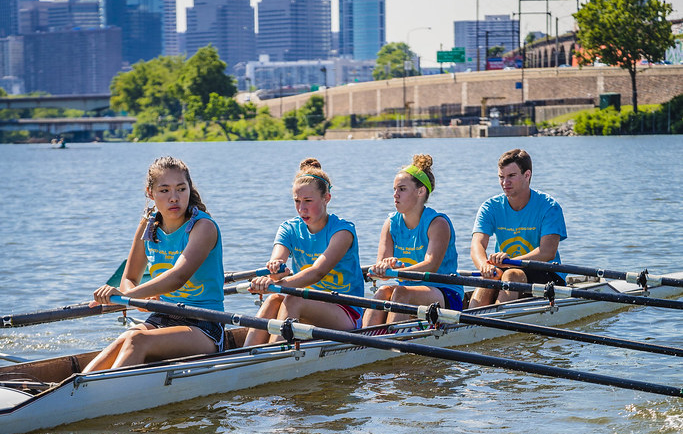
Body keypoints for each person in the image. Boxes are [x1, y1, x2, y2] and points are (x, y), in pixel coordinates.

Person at [83, 156, 224, 373]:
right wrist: (133, 297)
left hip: (204, 324)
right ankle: (78, 386)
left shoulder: (203, 227)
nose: (174, 198)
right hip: (162, 315)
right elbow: (129, 279)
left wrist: (129, 297)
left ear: (189, 189)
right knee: (127, 337)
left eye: (181, 189)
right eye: (164, 190)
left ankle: (97, 399)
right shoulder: (148, 225)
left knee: (137, 339)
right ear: (151, 193)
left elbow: (178, 278)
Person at [244, 158, 365, 346]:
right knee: (274, 299)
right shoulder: (289, 229)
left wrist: (279, 283)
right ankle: (247, 354)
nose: (302, 208)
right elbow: (277, 260)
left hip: (346, 312)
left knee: (292, 300)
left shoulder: (342, 231)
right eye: (297, 201)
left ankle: (274, 357)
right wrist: (274, 271)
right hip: (307, 304)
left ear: (327, 198)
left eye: (308, 201)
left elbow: (318, 272)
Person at [362, 153, 463, 329]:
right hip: (410, 291)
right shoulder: (391, 223)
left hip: (445, 293)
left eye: (402, 189)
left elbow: (431, 265)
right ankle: (364, 342)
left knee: (400, 292)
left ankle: (391, 345)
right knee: (382, 292)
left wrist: (398, 272)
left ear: (420, 191)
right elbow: (380, 270)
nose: (395, 195)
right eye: (394, 189)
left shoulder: (437, 223)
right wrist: (384, 267)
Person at [468, 147, 567, 309]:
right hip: (505, 268)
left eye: (511, 176)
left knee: (511, 275)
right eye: (501, 177)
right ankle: (470, 322)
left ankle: (496, 322)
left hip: (546, 272)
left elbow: (547, 252)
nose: (505, 183)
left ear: (527, 175)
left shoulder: (549, 207)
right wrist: (484, 266)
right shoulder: (490, 207)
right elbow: (476, 245)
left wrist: (511, 264)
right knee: (489, 277)